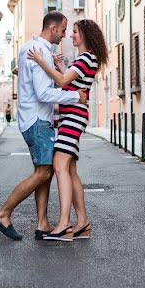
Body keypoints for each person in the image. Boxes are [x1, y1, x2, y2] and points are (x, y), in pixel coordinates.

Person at [0, 12, 88, 241]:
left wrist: (58, 67)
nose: (65, 35)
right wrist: (76, 97)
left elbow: (44, 86)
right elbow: (44, 94)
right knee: (44, 171)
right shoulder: (40, 51)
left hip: (34, 118)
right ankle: (3, 213)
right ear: (53, 29)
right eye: (63, 30)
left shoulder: (32, 48)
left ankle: (42, 223)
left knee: (44, 170)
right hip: (37, 120)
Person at [27, 19, 106, 242]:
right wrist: (60, 66)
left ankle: (64, 225)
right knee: (70, 170)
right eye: (70, 31)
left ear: (86, 36)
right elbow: (68, 83)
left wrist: (42, 61)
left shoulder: (85, 58)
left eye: (75, 32)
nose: (71, 35)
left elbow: (61, 81)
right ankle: (83, 223)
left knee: (59, 165)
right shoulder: (85, 59)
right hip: (72, 117)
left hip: (72, 118)